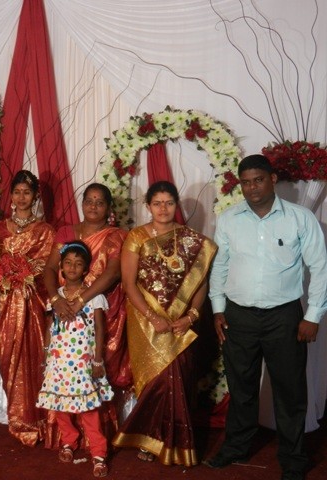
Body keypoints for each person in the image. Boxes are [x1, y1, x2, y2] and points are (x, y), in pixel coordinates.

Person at [205, 155, 327, 480]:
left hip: (284, 317)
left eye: (258, 180)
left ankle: (293, 458)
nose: (252, 187)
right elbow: (220, 266)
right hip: (238, 316)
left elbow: (320, 267)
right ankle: (236, 446)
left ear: (272, 179)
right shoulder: (229, 219)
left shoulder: (300, 218)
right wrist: (218, 309)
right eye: (246, 182)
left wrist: (313, 315)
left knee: (290, 390)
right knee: (241, 386)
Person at [112, 180, 217, 466]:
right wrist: (153, 317)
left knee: (178, 379)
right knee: (155, 381)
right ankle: (150, 437)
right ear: (148, 206)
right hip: (145, 321)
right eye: (157, 203)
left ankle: (173, 442)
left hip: (180, 322)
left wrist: (191, 317)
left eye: (169, 203)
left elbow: (200, 285)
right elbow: (129, 284)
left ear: (176, 205)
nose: (163, 208)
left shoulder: (192, 240)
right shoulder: (136, 236)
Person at [43, 183, 131, 445]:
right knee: (64, 373)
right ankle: (69, 437)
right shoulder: (66, 232)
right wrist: (56, 299)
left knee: (99, 371)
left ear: (109, 207)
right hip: (64, 308)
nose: (93, 206)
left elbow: (113, 272)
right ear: (81, 203)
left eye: (100, 202)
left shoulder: (116, 235)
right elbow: (50, 269)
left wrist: (81, 300)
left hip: (102, 309)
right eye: (89, 201)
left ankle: (99, 438)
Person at [0, 170, 55, 446]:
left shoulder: (45, 231)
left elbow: (47, 269)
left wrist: (24, 276)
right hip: (7, 304)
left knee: (33, 356)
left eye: (27, 192)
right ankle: (16, 414)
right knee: (7, 352)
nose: (21, 197)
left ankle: (35, 418)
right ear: (10, 196)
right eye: (17, 192)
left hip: (33, 304)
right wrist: (3, 277)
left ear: (35, 196)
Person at [37, 241, 112, 478]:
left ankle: (98, 453)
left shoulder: (93, 296)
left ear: (86, 269)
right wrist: (46, 356)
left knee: (88, 409)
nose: (72, 268)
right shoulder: (56, 298)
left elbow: (99, 329)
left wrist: (97, 361)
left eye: (78, 264)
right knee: (60, 406)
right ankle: (69, 440)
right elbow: (50, 327)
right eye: (68, 263)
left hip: (82, 364)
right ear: (60, 267)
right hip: (59, 362)